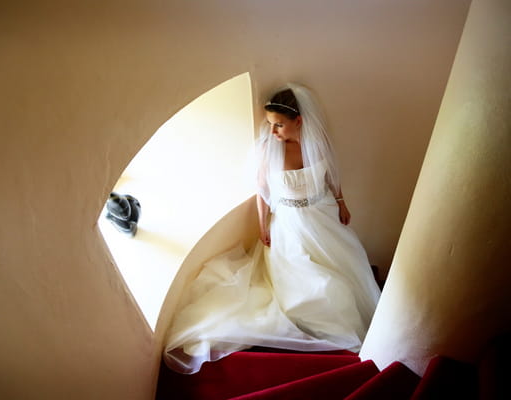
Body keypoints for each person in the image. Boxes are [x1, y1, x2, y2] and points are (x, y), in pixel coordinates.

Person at [163, 83, 381, 374]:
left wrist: (341, 202)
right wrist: (263, 224)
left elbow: (331, 177)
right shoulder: (270, 150)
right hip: (290, 224)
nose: (273, 131)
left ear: (298, 121)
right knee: (316, 283)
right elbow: (262, 190)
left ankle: (355, 322)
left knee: (345, 267)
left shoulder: (318, 143)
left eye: (279, 125)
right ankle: (326, 324)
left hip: (323, 215)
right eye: (270, 124)